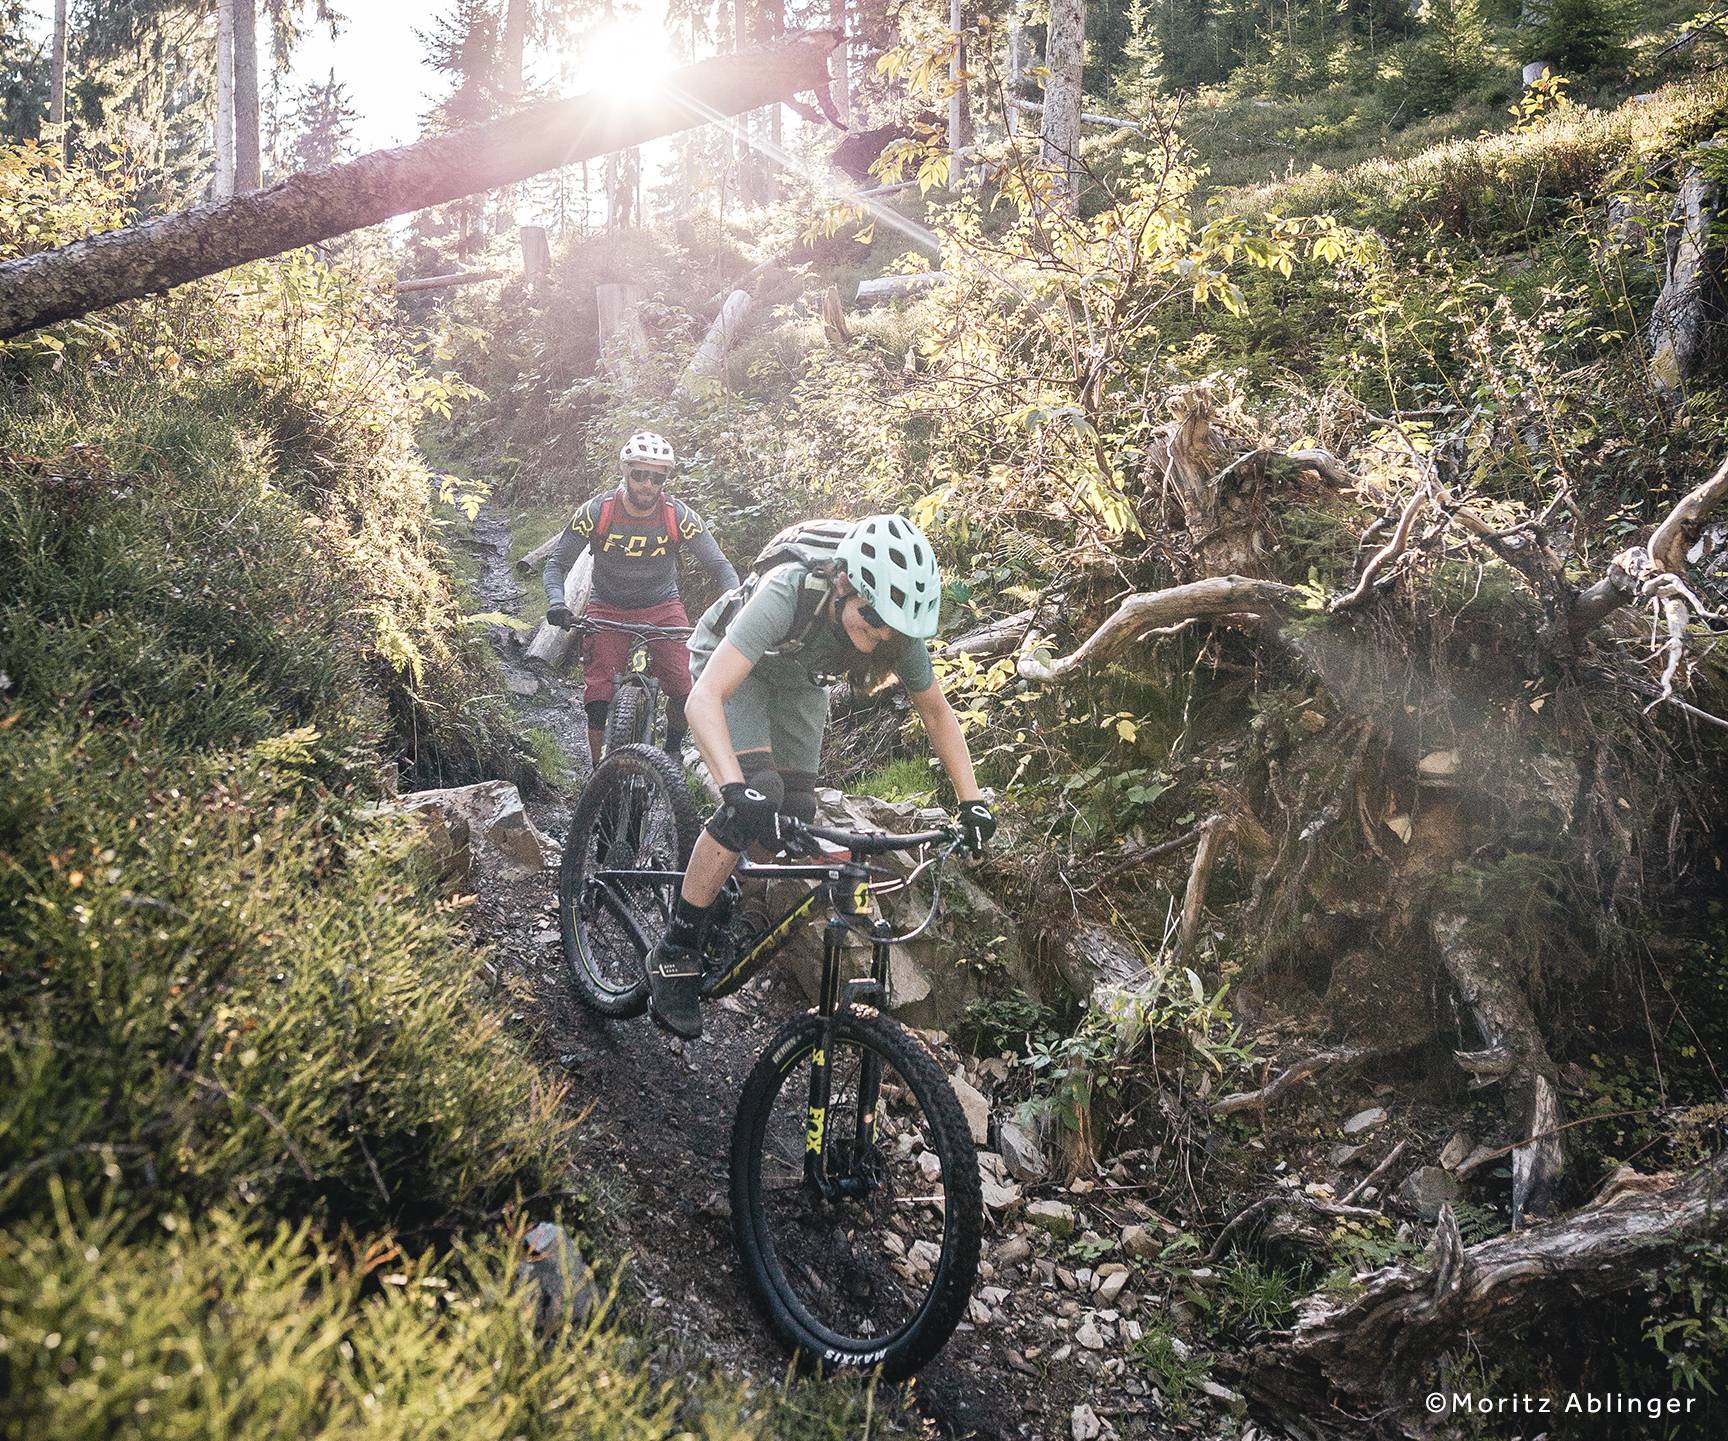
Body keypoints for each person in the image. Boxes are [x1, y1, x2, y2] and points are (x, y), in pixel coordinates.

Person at [645, 513, 996, 1039]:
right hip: (735, 665)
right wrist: (734, 789)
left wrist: (971, 803)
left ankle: (727, 899)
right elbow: (705, 697)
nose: (877, 638)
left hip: (799, 682)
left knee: (794, 817)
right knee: (758, 799)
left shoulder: (891, 625)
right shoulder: (788, 591)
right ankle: (677, 944)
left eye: (889, 631)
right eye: (869, 620)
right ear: (843, 583)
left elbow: (937, 713)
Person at [544, 430, 739, 762]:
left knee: (683, 686)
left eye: (657, 477)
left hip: (663, 606)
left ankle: (673, 747)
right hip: (607, 606)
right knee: (599, 696)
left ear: (665, 480)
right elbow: (557, 563)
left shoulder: (678, 515)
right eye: (639, 475)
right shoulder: (597, 511)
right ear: (625, 472)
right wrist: (557, 603)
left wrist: (733, 605)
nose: (647, 484)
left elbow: (720, 566)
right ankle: (598, 770)